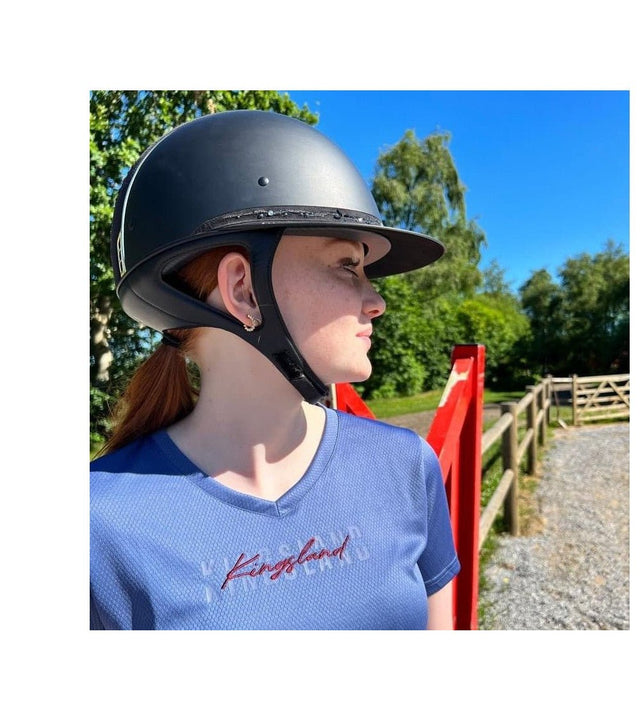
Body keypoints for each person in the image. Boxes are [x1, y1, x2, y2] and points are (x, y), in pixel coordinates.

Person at [90, 109, 460, 630]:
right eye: (347, 267)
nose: (376, 301)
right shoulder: (94, 527)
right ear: (243, 289)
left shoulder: (405, 467)